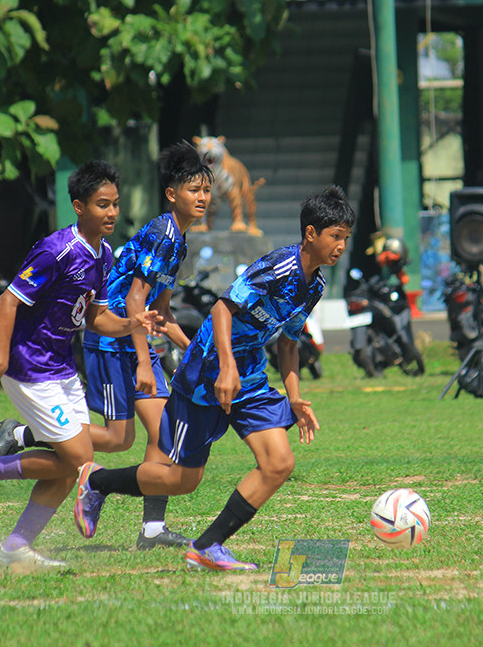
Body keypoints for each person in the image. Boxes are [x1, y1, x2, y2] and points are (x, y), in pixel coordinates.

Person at [71, 185, 355, 571]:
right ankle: (97, 482)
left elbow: (289, 344)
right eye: (334, 236)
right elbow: (222, 309)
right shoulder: (279, 267)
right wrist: (226, 366)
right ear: (310, 234)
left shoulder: (316, 286)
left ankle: (207, 545)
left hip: (249, 374)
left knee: (278, 463)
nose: (340, 246)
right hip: (206, 370)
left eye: (345, 238)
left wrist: (294, 397)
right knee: (182, 480)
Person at [0, 142, 211, 551]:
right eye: (194, 190)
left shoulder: (171, 243)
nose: (203, 198)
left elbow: (158, 311)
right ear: (172, 194)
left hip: (126, 337)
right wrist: (145, 359)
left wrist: (198, 352)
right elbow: (133, 302)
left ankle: (150, 530)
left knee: (141, 437)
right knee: (110, 444)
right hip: (112, 345)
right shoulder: (159, 234)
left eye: (206, 191)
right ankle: (21, 448)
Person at [0, 160, 158, 568]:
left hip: (62, 369)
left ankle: (14, 547)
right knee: (80, 461)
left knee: (70, 469)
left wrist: (130, 323)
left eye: (116, 204)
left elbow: (97, 318)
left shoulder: (103, 255)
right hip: (29, 368)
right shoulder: (56, 250)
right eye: (103, 205)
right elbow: (8, 300)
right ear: (78, 206)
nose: (113, 213)